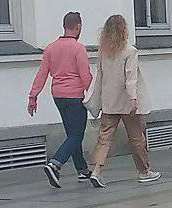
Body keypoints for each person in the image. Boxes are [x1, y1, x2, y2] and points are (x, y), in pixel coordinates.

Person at [87, 14, 161, 188]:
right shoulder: (130, 51)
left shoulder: (103, 51)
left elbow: (100, 76)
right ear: (124, 30)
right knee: (136, 138)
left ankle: (96, 171)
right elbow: (130, 78)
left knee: (104, 138)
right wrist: (133, 99)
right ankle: (144, 172)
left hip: (109, 101)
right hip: (128, 103)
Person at [28, 12, 93, 189]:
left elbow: (42, 74)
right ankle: (55, 164)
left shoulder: (51, 48)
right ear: (78, 27)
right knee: (76, 135)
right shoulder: (79, 48)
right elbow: (85, 75)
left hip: (58, 95)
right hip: (75, 96)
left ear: (64, 26)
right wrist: (94, 93)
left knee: (72, 133)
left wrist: (33, 96)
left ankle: (82, 170)